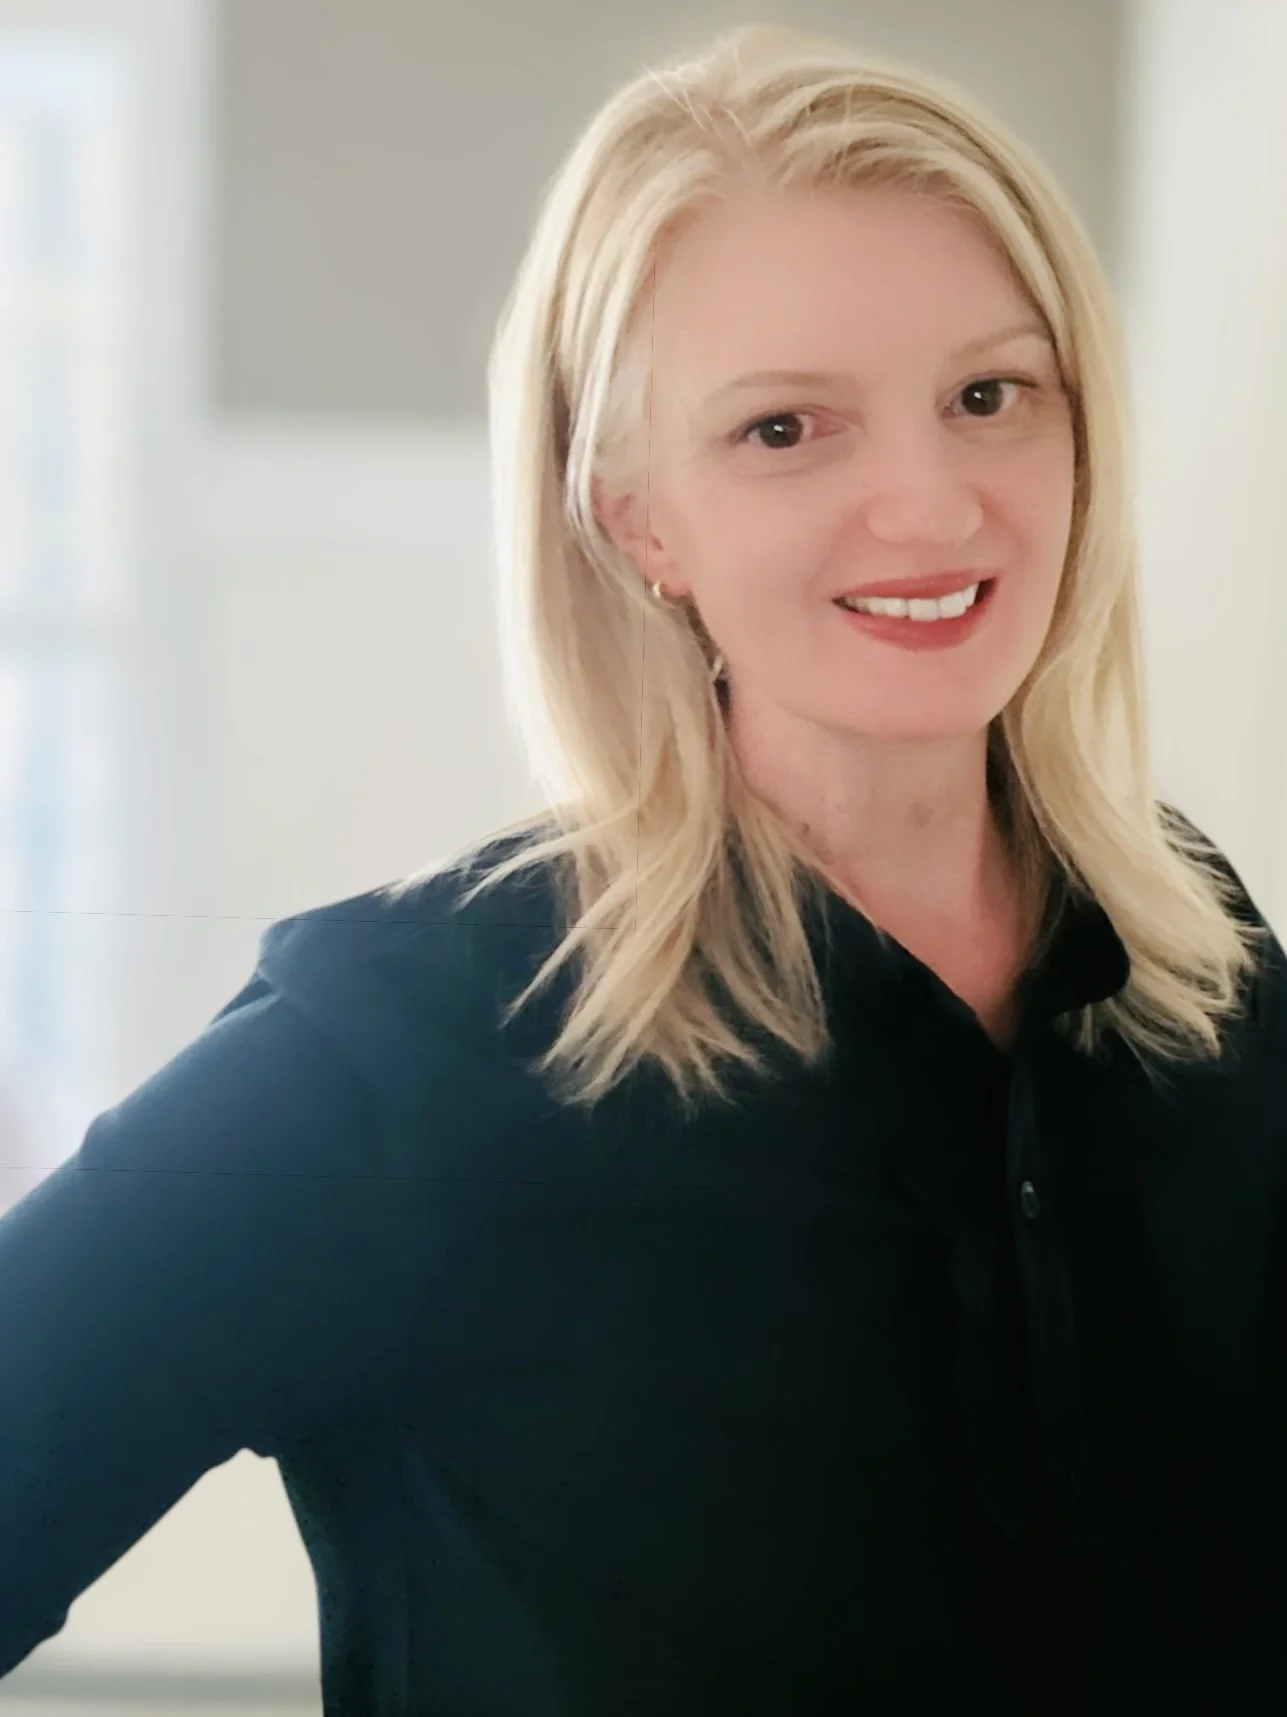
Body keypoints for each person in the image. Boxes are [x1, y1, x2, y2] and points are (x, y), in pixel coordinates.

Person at [1, 21, 1284, 1716]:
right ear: (633, 520)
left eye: (989, 396)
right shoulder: (406, 1051)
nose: (929, 505)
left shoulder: (1198, 964)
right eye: (784, 431)